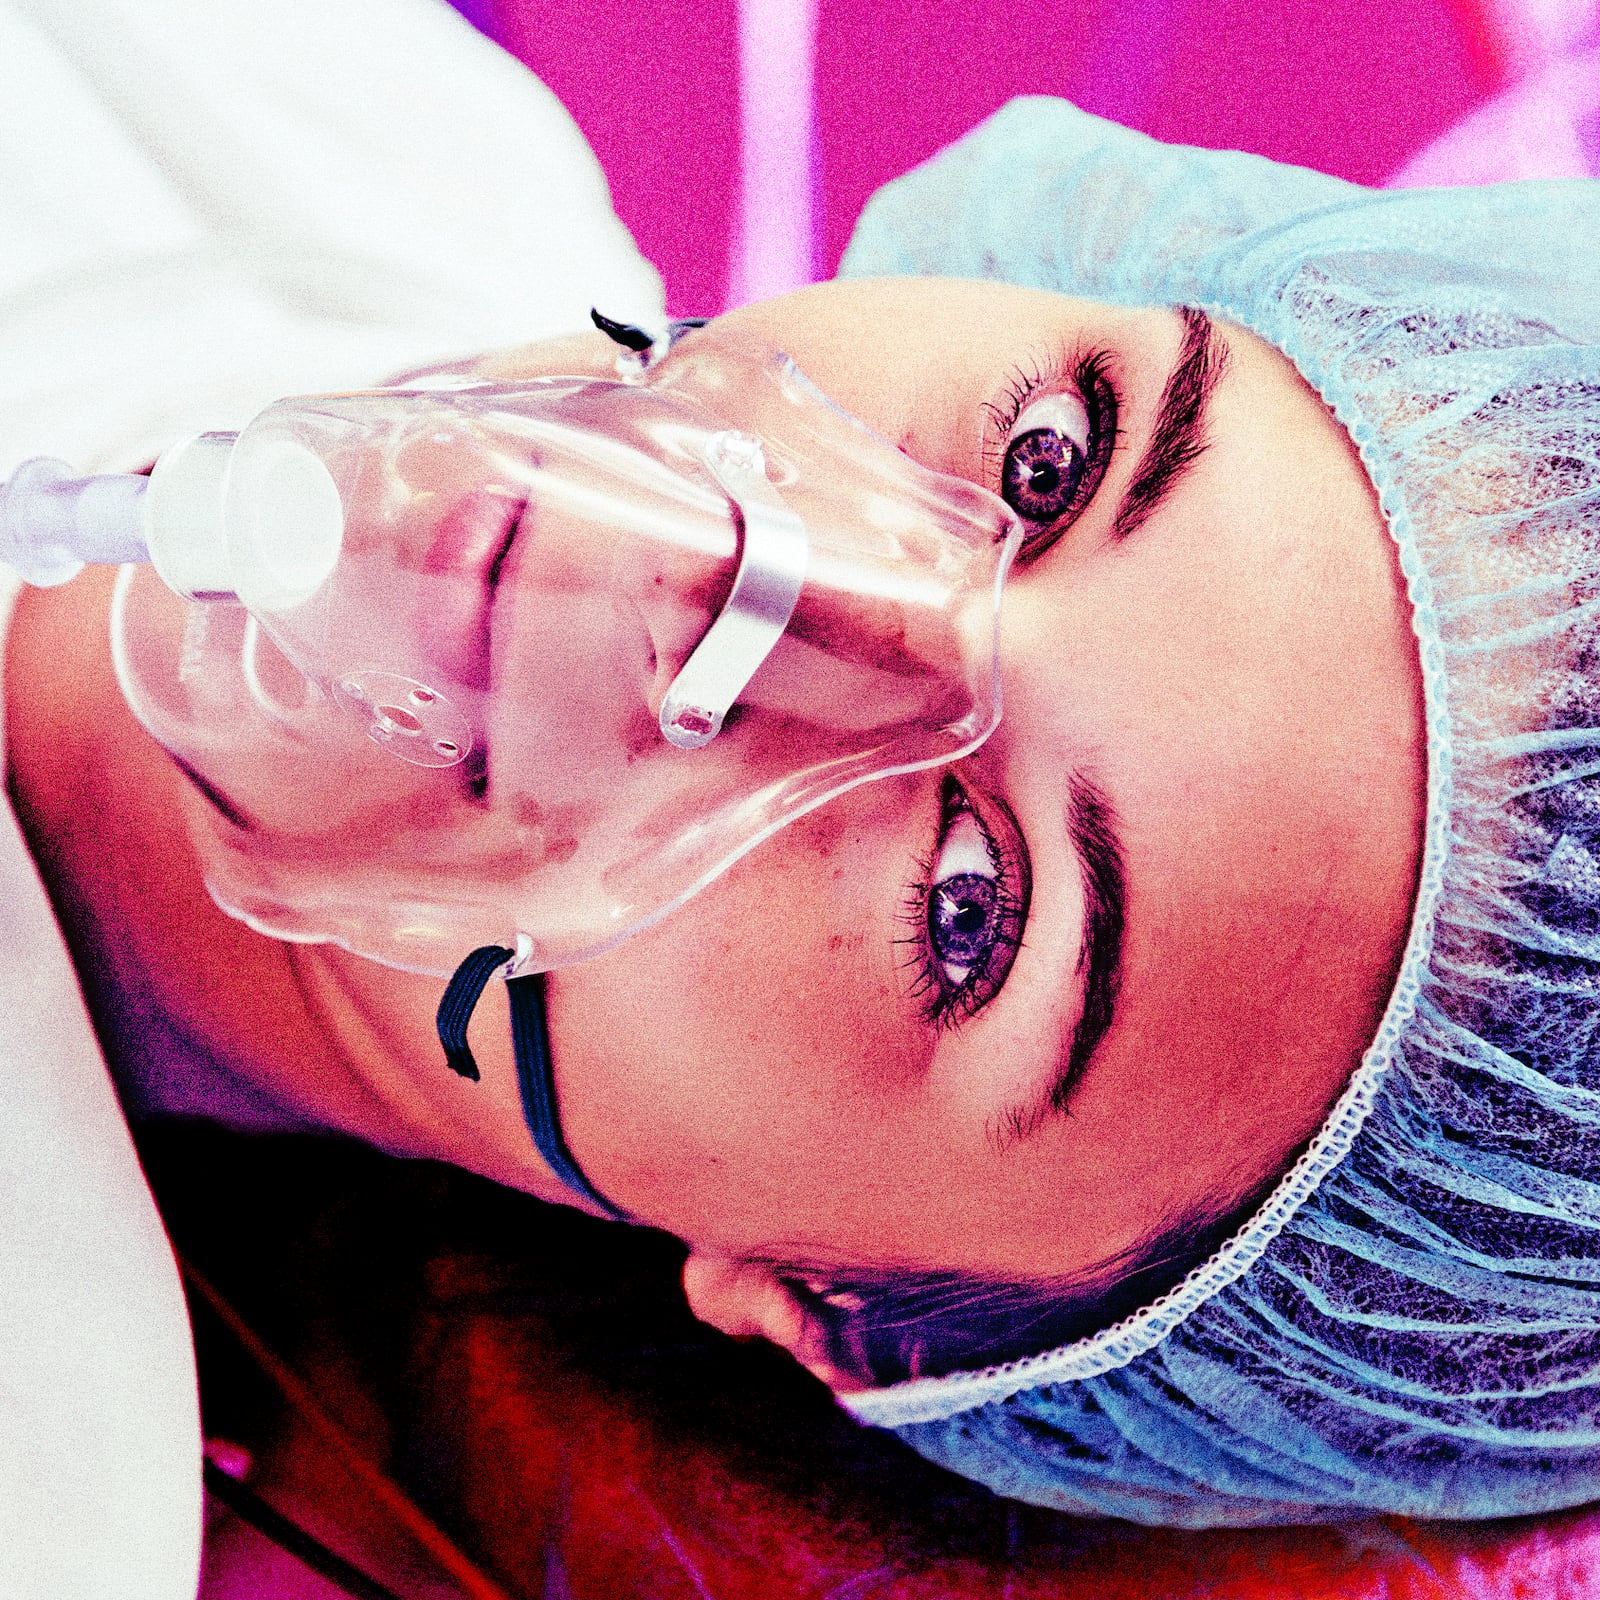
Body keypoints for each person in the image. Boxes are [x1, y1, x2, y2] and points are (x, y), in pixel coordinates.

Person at [6, 15, 1600, 1595]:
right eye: (1054, 460)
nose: (745, 585)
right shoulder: (360, 128)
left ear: (828, 1305)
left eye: (969, 912)